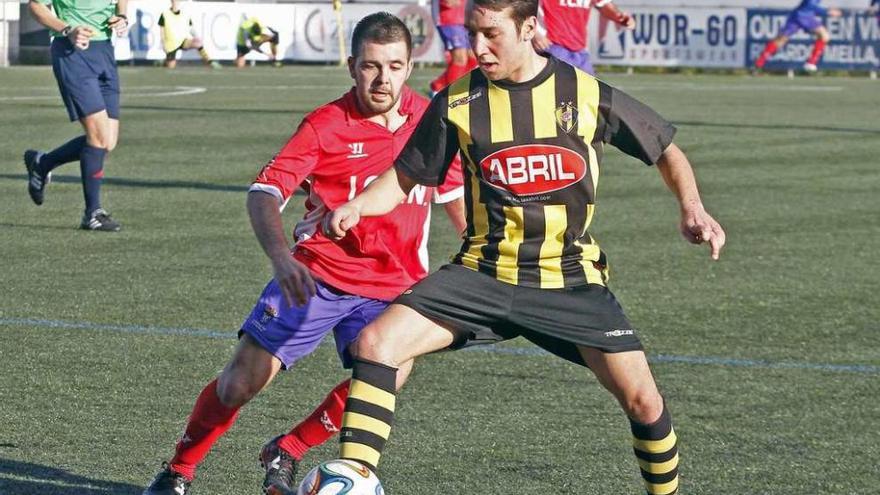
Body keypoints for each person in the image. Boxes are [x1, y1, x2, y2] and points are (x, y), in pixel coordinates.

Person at [322, 0, 726, 493]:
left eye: (491, 34)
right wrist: (359, 206)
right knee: (376, 344)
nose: (476, 47)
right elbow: (405, 178)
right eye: (472, 33)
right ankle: (356, 482)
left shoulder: (583, 92)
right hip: (481, 276)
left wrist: (693, 207)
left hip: (568, 279)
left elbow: (665, 149)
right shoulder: (457, 102)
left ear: (530, 28)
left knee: (644, 401)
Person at [142, 12, 466, 495]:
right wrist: (280, 258)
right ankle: (178, 471)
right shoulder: (324, 125)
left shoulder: (431, 121)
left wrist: (476, 246)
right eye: (371, 66)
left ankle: (289, 449)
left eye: (395, 66)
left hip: (392, 284)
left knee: (391, 370)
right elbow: (263, 193)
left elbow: (452, 192)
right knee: (240, 384)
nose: (383, 79)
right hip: (316, 275)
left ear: (410, 65)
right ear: (352, 65)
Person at [24, 0, 128, 231]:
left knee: (107, 142)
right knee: (98, 137)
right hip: (72, 52)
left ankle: (43, 163)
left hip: (104, 51)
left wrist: (122, 17)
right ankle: (92, 213)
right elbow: (35, 6)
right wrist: (67, 29)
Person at [532, 0, 635, 74]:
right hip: (552, 46)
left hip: (579, 50)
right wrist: (535, 33)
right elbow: (521, 6)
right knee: (558, 94)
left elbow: (604, 5)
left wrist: (620, 17)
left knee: (590, 93)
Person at [754, 0, 842, 73]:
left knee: (824, 35)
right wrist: (827, 12)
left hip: (805, 16)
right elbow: (810, 3)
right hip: (801, 16)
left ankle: (811, 63)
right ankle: (758, 64)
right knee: (781, 39)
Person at [429, 0, 478, 94]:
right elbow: (450, 2)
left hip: (464, 18)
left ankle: (438, 85)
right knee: (460, 59)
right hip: (448, 19)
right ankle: (453, 94)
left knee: (474, 56)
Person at [158, 0, 221, 69]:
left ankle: (210, 62)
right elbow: (162, 31)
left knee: (198, 42)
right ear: (171, 2)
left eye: (177, 1)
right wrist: (163, 43)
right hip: (171, 45)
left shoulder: (185, 14)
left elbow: (191, 28)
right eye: (174, 1)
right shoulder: (165, 14)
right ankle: (163, 62)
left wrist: (196, 36)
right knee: (171, 67)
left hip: (182, 41)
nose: (175, 2)